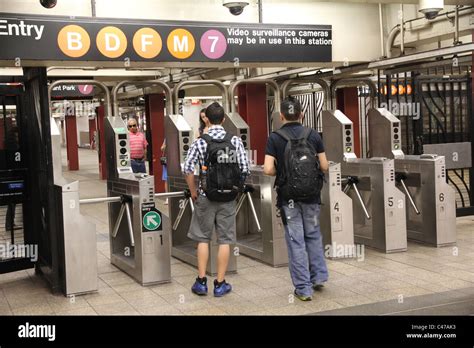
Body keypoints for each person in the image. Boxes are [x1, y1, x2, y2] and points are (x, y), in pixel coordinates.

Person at [263, 96, 329, 302]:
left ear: (281, 116)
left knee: (296, 241)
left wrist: (282, 173)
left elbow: (267, 169)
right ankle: (318, 277)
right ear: (301, 114)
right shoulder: (312, 135)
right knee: (313, 234)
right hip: (311, 195)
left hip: (288, 197)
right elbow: (325, 166)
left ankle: (303, 289)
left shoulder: (275, 138)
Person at [183, 102, 249, 297]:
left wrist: (193, 190)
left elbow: (187, 168)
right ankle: (220, 284)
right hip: (228, 197)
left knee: (203, 238)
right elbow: (244, 169)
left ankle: (201, 282)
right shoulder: (235, 141)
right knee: (225, 240)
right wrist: (235, 189)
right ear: (223, 119)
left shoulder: (201, 141)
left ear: (206, 119)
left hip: (205, 195)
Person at [160, 139, 168, 204]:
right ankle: (167, 197)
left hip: (175, 160)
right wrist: (164, 146)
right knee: (166, 180)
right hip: (167, 161)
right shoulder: (166, 138)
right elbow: (162, 148)